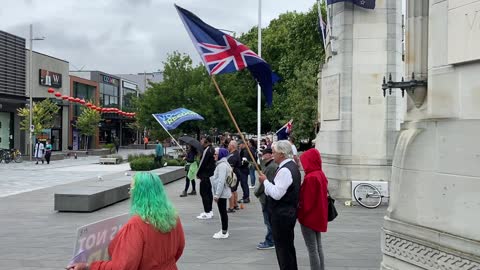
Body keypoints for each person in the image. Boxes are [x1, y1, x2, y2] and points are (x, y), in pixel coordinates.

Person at [66, 172, 185, 270]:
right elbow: (180, 248)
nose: (129, 192)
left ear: (139, 193)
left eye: (131, 188)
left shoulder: (136, 225)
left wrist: (88, 267)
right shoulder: (173, 216)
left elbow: (123, 267)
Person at [258, 140, 301, 270]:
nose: (272, 155)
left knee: (283, 250)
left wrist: (265, 182)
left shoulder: (285, 170)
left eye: (274, 152)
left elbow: (276, 194)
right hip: (286, 213)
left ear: (282, 154)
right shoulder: (290, 166)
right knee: (286, 248)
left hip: (282, 214)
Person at [298, 148, 329, 270]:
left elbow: (307, 202)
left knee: (311, 248)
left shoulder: (310, 177)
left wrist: (299, 212)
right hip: (319, 215)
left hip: (309, 218)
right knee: (318, 246)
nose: (302, 164)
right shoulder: (320, 174)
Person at [254, 147, 277, 250]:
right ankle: (271, 239)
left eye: (264, 154)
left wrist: (257, 192)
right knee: (269, 220)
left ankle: (270, 241)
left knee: (268, 221)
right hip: (267, 197)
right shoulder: (268, 165)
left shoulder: (271, 167)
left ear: (269, 155)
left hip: (267, 198)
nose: (262, 156)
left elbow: (264, 183)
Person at [211, 148, 232, 239]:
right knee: (222, 212)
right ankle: (223, 230)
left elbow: (221, 181)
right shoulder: (222, 164)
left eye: (216, 154)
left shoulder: (222, 165)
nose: (214, 155)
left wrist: (217, 195)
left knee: (222, 212)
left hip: (221, 193)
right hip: (222, 192)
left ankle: (224, 232)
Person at [196, 136, 216, 219]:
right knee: (209, 193)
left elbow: (202, 163)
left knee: (204, 193)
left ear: (206, 142)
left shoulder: (207, 150)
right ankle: (209, 210)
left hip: (205, 175)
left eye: (202, 140)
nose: (201, 142)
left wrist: (198, 173)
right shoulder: (212, 149)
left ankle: (207, 212)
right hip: (210, 175)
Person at [227, 140, 241, 212]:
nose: (228, 146)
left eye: (229, 145)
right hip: (237, 173)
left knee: (231, 190)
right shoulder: (235, 153)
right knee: (234, 190)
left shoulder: (233, 155)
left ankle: (231, 207)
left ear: (232, 146)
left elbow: (231, 168)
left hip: (233, 174)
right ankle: (235, 205)